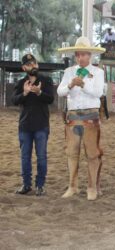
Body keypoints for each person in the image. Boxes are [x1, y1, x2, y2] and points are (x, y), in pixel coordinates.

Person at [57, 36, 106, 201]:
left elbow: (99, 93)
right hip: (72, 116)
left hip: (91, 115)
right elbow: (60, 91)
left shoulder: (98, 72)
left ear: (89, 55)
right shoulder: (68, 72)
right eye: (78, 54)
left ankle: (92, 187)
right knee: (71, 153)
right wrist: (71, 84)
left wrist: (83, 85)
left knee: (92, 153)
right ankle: (73, 186)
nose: (80, 57)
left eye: (83, 54)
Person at [11, 54, 54, 196]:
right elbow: (14, 100)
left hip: (41, 125)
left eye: (34, 63)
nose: (33, 66)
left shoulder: (46, 80)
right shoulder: (21, 82)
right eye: (29, 64)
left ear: (38, 65)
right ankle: (26, 185)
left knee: (41, 156)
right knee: (25, 157)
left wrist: (39, 92)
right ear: (24, 68)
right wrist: (24, 93)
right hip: (25, 126)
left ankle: (40, 186)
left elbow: (50, 99)